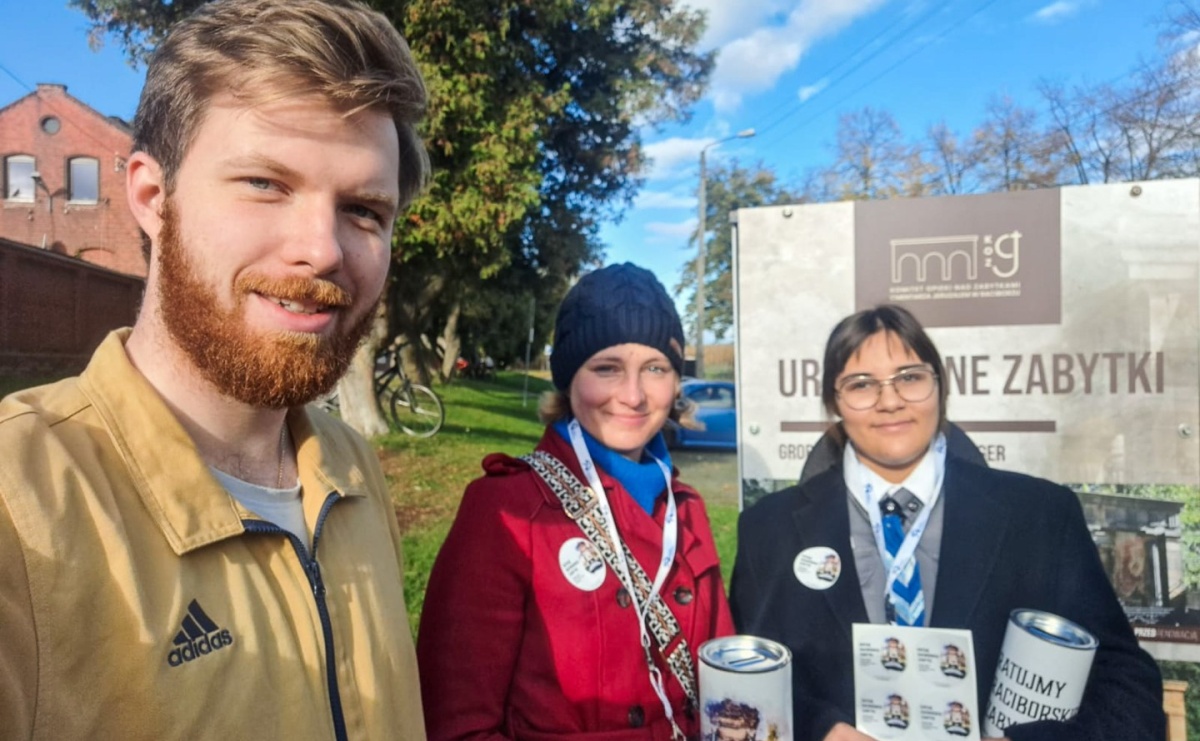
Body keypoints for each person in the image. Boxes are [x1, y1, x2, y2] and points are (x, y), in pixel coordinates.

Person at [0, 1, 430, 738]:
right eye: (265, 183)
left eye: (364, 210)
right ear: (151, 196)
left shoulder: (353, 469)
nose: (322, 249)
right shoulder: (20, 505)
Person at [729, 304, 1164, 741]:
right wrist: (821, 731)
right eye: (861, 385)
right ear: (833, 402)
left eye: (910, 378)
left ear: (940, 387)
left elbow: (1126, 684)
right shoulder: (769, 531)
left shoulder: (1041, 517)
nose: (890, 401)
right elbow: (746, 680)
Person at [417, 262, 735, 740]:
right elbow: (456, 726)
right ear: (569, 380)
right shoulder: (507, 508)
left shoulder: (686, 508)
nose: (633, 396)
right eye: (607, 368)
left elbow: (722, 684)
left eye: (655, 369)